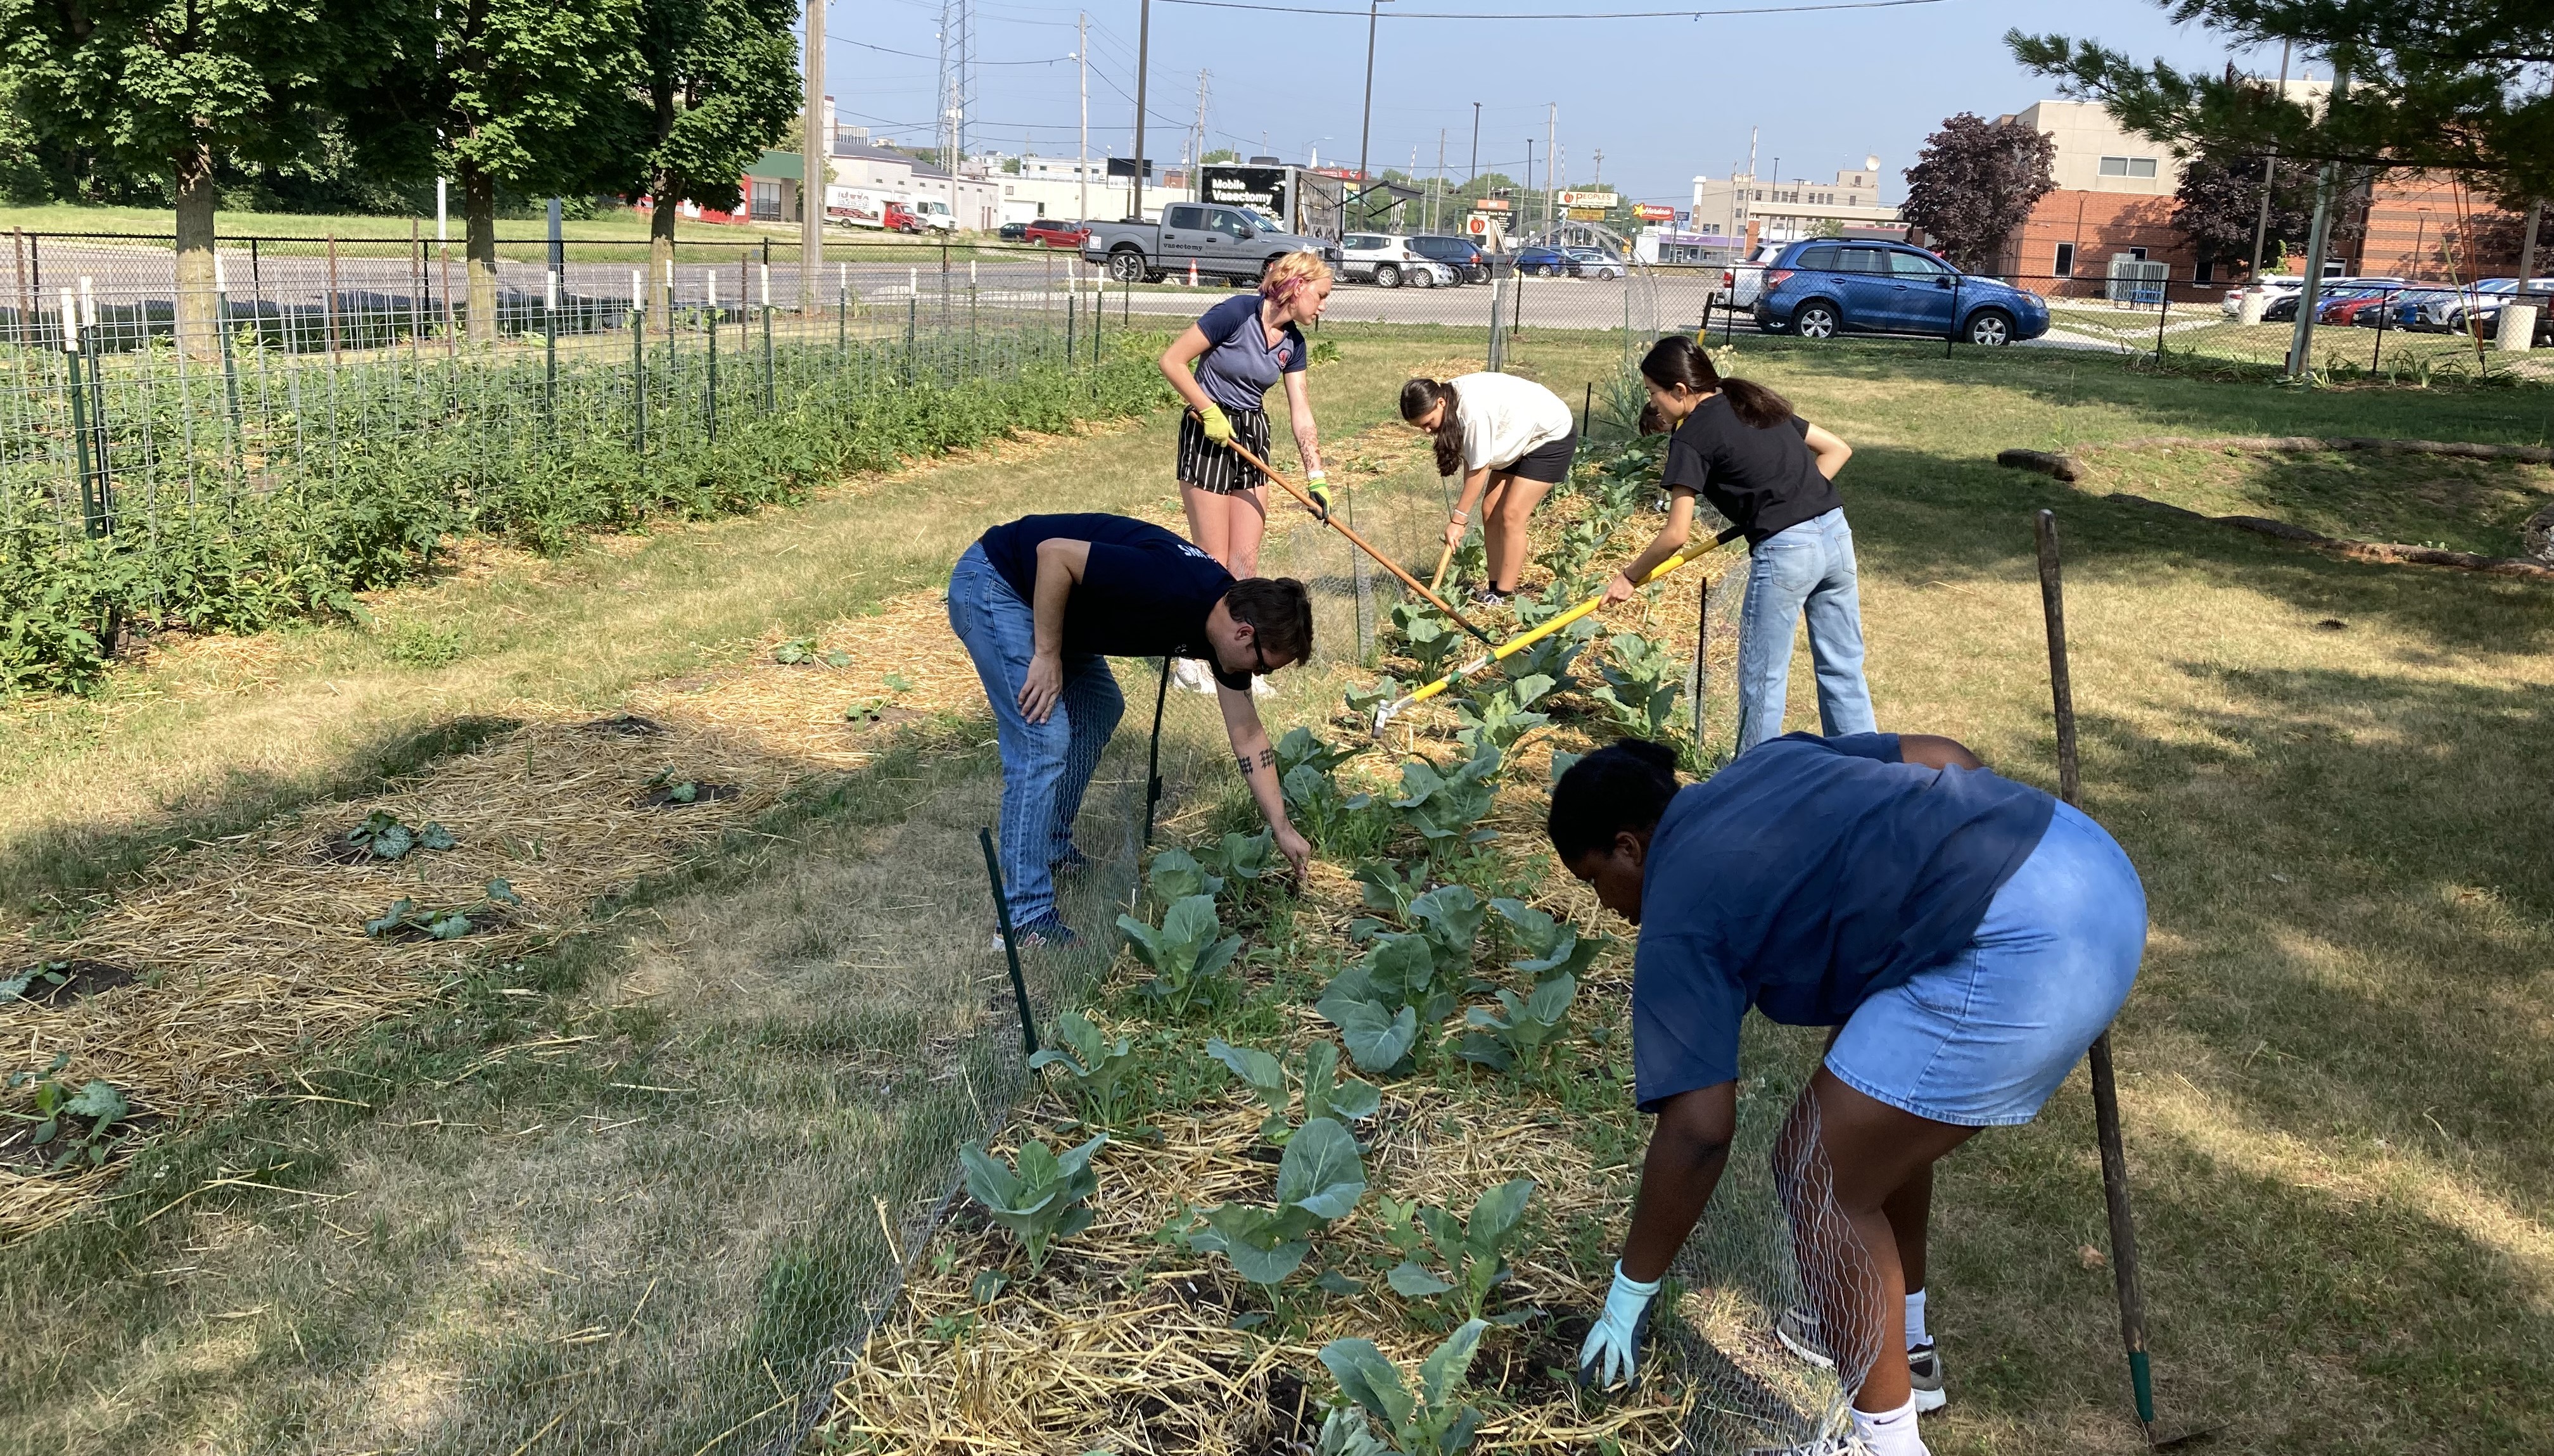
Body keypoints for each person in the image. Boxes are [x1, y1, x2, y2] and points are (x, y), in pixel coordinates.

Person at [1555, 737, 2145, 1456]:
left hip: (2030, 943)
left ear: (1628, 847)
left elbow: (1700, 1128)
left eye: (1592, 881)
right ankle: (1909, 1348)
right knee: (1872, 1099)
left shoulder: (1678, 906)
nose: (1605, 907)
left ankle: (1884, 1445)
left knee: (1817, 1171)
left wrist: (1629, 1292)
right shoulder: (1765, 764)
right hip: (2080, 859)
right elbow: (1946, 756)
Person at [947, 512, 1316, 946]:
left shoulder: (1223, 622)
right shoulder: (1169, 583)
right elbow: (1054, 555)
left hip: (1057, 608)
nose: (1257, 676)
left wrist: (1281, 826)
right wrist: (1046, 655)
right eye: (1263, 667)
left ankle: (1048, 843)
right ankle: (1023, 918)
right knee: (1041, 740)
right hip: (999, 586)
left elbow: (1248, 735)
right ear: (1244, 632)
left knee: (1101, 706)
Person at [1604, 336, 1874, 754]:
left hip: (1787, 554)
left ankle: (1755, 786)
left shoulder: (1691, 437)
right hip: (1836, 535)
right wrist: (1792, 498)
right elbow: (1837, 450)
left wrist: (1628, 577)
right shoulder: (1748, 399)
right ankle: (1868, 768)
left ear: (1679, 390)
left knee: (1762, 678)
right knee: (1842, 666)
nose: (1653, 404)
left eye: (1653, 393)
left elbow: (1676, 534)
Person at [1157, 251, 1335, 693]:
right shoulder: (1236, 313)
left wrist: (1317, 477)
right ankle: (1193, 660)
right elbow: (1172, 361)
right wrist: (1207, 408)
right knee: (1213, 562)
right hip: (1209, 433)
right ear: (1296, 286)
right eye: (1322, 295)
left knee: (1245, 564)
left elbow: (1302, 412)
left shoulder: (1294, 344)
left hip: (1250, 436)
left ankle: (1239, 659)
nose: (1324, 305)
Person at [1399, 372, 1577, 604]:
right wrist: (1462, 514)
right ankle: (1494, 587)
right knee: (1490, 509)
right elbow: (1472, 464)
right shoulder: (1449, 400)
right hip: (1519, 434)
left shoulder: (1471, 412)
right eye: (1420, 427)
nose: (1427, 431)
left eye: (1428, 423)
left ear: (1440, 403)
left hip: (1549, 434)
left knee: (1512, 514)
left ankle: (1503, 595)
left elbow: (1480, 470)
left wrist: (1458, 521)